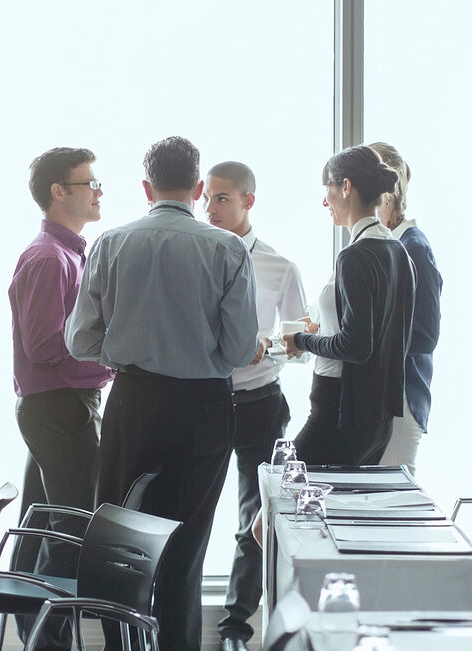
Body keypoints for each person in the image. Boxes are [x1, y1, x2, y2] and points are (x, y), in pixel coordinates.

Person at [66, 136, 258, 651]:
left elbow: (79, 340)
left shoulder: (110, 243)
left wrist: (125, 351)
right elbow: (240, 349)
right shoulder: (228, 248)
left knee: (119, 545)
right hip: (204, 408)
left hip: (134, 401)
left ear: (147, 188)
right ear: (198, 189)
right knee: (185, 552)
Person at [8, 147, 114, 649]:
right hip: (60, 407)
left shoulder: (67, 253)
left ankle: (35, 640)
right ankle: (49, 643)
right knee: (71, 531)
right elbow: (45, 345)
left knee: (45, 528)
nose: (98, 191)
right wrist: (111, 361)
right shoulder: (50, 258)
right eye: (89, 183)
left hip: (57, 406)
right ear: (58, 192)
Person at [204, 161, 307, 651]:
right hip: (203, 401)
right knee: (190, 514)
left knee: (255, 520)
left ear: (248, 201)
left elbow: (301, 343)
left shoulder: (279, 268)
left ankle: (234, 630)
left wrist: (266, 347)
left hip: (260, 402)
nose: (210, 207)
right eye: (207, 197)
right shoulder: (195, 258)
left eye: (222, 198)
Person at [282, 146, 414, 466]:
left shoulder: (354, 256)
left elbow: (355, 346)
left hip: (339, 412)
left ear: (346, 187)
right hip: (378, 417)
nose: (324, 201)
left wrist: (301, 340)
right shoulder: (398, 252)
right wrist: (323, 329)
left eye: (327, 188)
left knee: (279, 482)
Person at [367, 142, 442, 476]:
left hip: (401, 398)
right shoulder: (384, 244)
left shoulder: (414, 248)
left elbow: (425, 335)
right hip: (384, 396)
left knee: (393, 495)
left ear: (386, 194)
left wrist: (360, 341)